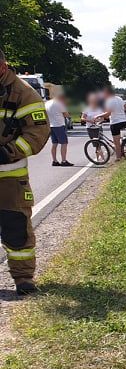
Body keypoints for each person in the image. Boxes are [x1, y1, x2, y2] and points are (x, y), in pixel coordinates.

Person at [0, 47, 51, 296]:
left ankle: (23, 279)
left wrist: (6, 152)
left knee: (15, 227)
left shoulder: (23, 93)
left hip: (8, 177)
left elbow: (37, 134)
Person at [96, 86, 126, 163]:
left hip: (115, 122)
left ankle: (118, 158)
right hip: (123, 121)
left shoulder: (109, 100)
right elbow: (123, 109)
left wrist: (98, 116)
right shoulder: (119, 98)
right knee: (118, 140)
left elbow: (107, 114)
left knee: (116, 142)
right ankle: (122, 151)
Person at [45, 91, 73, 167]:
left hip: (51, 125)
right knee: (64, 143)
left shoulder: (47, 103)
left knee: (54, 144)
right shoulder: (59, 103)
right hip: (59, 125)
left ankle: (54, 160)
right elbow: (66, 114)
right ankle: (63, 160)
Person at [81, 92, 106, 162]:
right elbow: (82, 118)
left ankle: (101, 159)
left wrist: (99, 120)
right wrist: (89, 120)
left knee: (99, 144)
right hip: (90, 128)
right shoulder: (87, 108)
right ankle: (101, 159)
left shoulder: (99, 108)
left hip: (98, 127)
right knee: (96, 144)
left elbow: (103, 118)